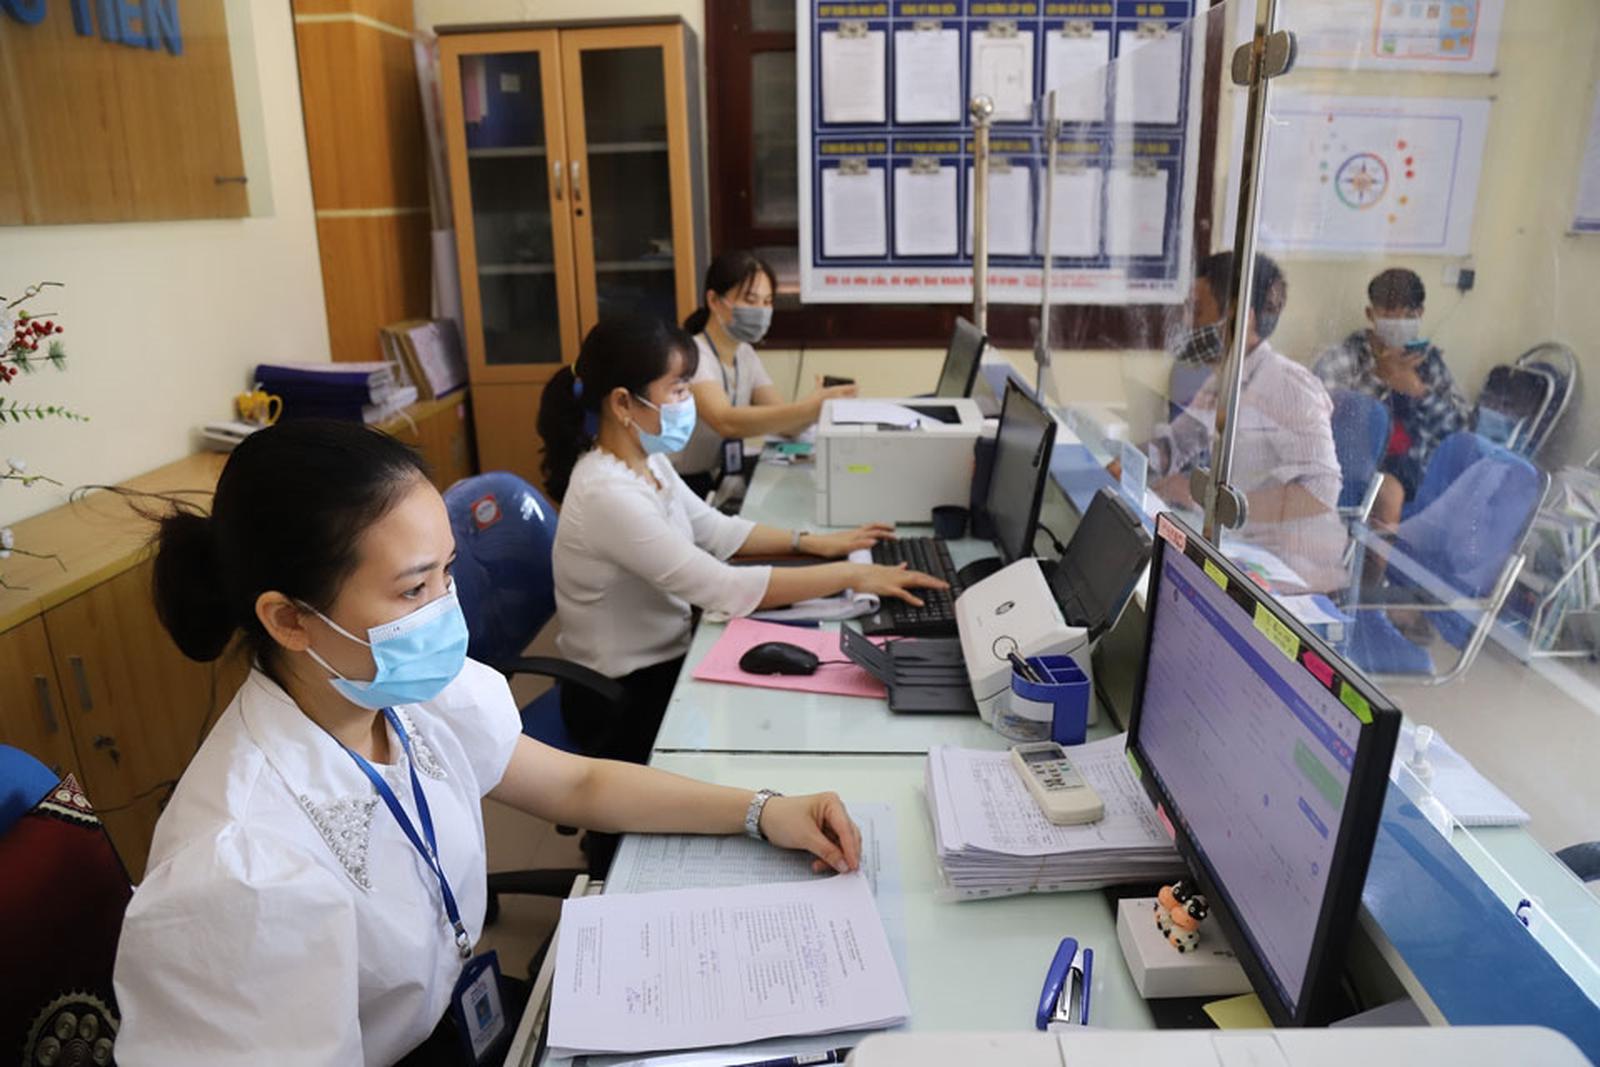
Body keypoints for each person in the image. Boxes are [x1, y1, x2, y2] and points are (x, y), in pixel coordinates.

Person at [111, 419, 866, 1066]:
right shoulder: (241, 870)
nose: (446, 608)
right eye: (414, 589)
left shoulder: (403, 689)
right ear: (288, 619)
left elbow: (577, 786)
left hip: (461, 1017)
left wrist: (764, 810)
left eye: (447, 572)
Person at [538, 314, 945, 766]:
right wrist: (852, 576)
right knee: (777, 727)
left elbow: (715, 530)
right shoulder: (606, 493)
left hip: (663, 663)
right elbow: (723, 588)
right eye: (678, 390)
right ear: (622, 403)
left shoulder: (646, 459)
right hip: (619, 700)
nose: (689, 402)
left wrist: (812, 543)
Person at [1145, 251, 1347, 593]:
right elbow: (1178, 443)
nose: (1189, 322)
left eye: (1199, 309)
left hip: (1294, 574)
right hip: (1242, 551)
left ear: (1241, 318)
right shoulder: (1225, 378)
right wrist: (1127, 463)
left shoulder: (1289, 386)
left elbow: (1320, 492)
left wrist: (1214, 502)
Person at [675, 250, 858, 497]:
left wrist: (817, 407)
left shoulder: (745, 353)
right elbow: (726, 421)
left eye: (767, 301)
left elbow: (785, 423)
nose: (761, 310)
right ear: (714, 301)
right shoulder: (692, 353)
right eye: (750, 300)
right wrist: (807, 409)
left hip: (719, 476)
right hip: (684, 482)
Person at [1312, 267, 1471, 527]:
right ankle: (1372, 555)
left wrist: (1418, 391)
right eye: (1388, 313)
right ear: (1370, 314)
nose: (1398, 322)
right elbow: (1321, 423)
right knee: (1389, 493)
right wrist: (1380, 378)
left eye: (1408, 315)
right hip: (1356, 468)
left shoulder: (1427, 362)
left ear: (1420, 314)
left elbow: (1461, 429)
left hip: (1417, 468)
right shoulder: (1344, 358)